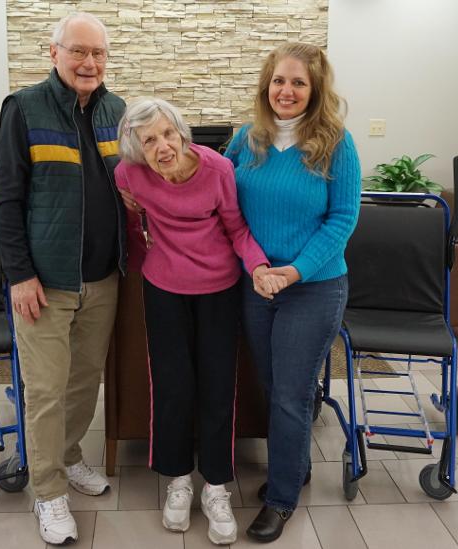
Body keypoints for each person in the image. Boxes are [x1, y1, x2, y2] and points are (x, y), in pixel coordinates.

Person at [116, 97, 286, 546]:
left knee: (216, 384)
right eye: (149, 139)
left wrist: (259, 267)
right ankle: (177, 481)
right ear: (135, 145)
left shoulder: (216, 170)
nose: (162, 146)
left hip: (218, 288)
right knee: (171, 385)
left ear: (182, 132)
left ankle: (215, 487)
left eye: (168, 133)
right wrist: (136, 272)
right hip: (163, 288)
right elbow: (136, 228)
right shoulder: (128, 173)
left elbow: (237, 229)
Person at [0, 12, 126, 546]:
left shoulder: (118, 111)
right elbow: (6, 200)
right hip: (44, 284)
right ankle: (48, 494)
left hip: (103, 278)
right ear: (54, 53)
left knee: (82, 381)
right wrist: (20, 275)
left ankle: (69, 458)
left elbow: (131, 186)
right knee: (46, 390)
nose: (89, 63)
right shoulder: (23, 108)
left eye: (98, 54)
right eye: (78, 51)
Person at [224, 42, 361, 543]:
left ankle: (282, 499)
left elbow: (343, 218)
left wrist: (293, 272)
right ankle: (295, 464)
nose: (287, 90)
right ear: (267, 85)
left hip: (314, 286)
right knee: (271, 383)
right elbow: (220, 198)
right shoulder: (246, 139)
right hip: (257, 281)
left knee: (289, 395)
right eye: (279, 81)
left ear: (315, 90)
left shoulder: (335, 143)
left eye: (299, 83)